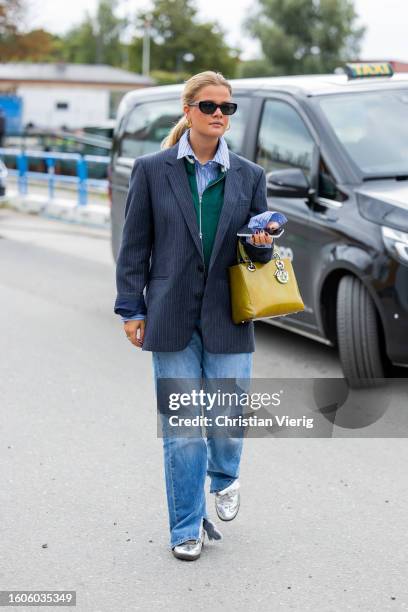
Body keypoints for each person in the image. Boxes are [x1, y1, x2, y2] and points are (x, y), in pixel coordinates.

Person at [114, 71, 281, 561]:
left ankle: (225, 477)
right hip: (169, 316)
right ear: (188, 110)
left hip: (229, 315)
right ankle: (186, 527)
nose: (218, 115)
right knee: (184, 430)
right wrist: (131, 308)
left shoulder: (249, 176)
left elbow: (258, 259)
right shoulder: (152, 169)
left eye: (226, 108)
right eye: (209, 106)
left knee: (226, 421)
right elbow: (134, 247)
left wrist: (262, 245)